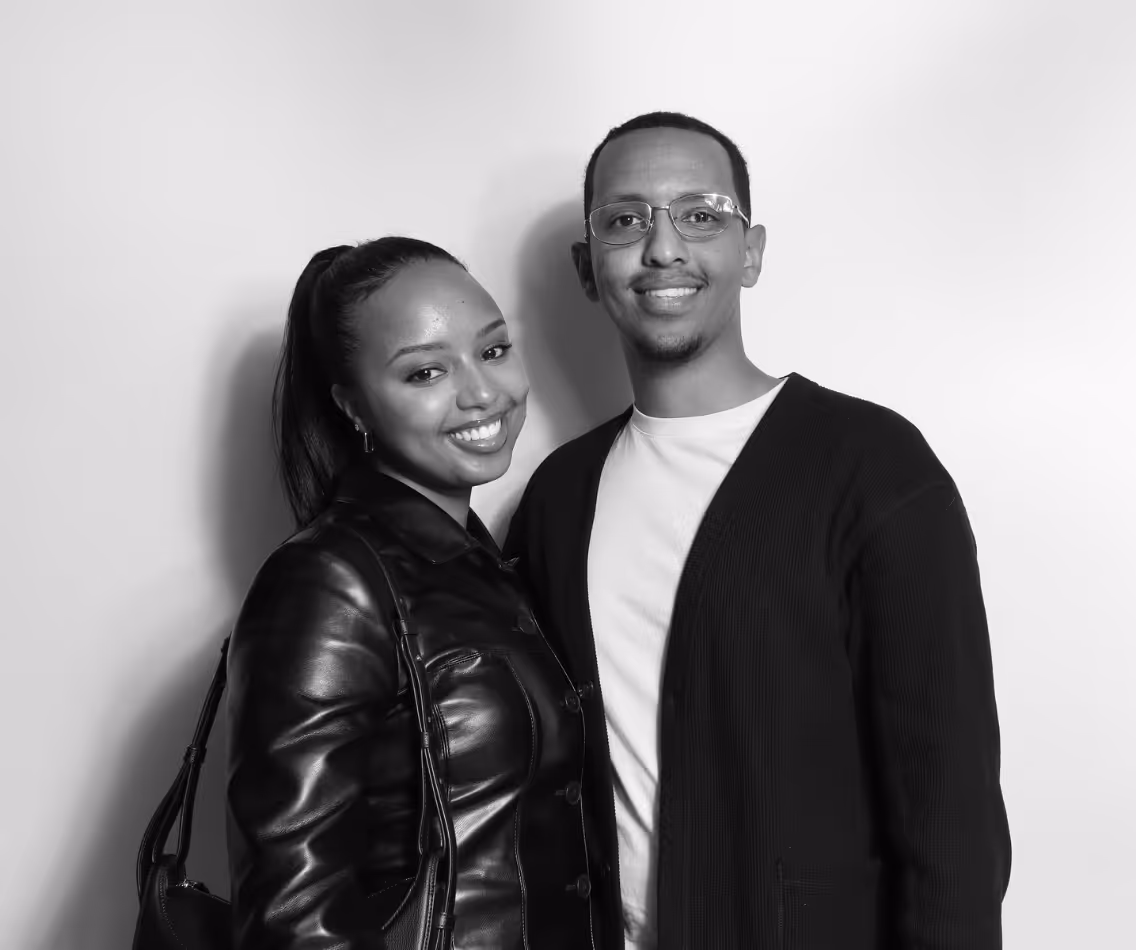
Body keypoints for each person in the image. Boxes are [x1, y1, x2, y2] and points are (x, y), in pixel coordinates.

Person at [505, 113, 1012, 950]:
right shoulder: (560, 498)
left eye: (700, 214)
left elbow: (949, 813)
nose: (663, 247)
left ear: (751, 251)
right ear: (587, 268)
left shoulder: (872, 468)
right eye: (626, 220)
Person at [225, 237, 597, 949]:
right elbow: (291, 920)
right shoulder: (330, 579)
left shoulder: (486, 564)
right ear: (352, 405)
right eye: (426, 372)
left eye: (492, 351)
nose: (483, 393)